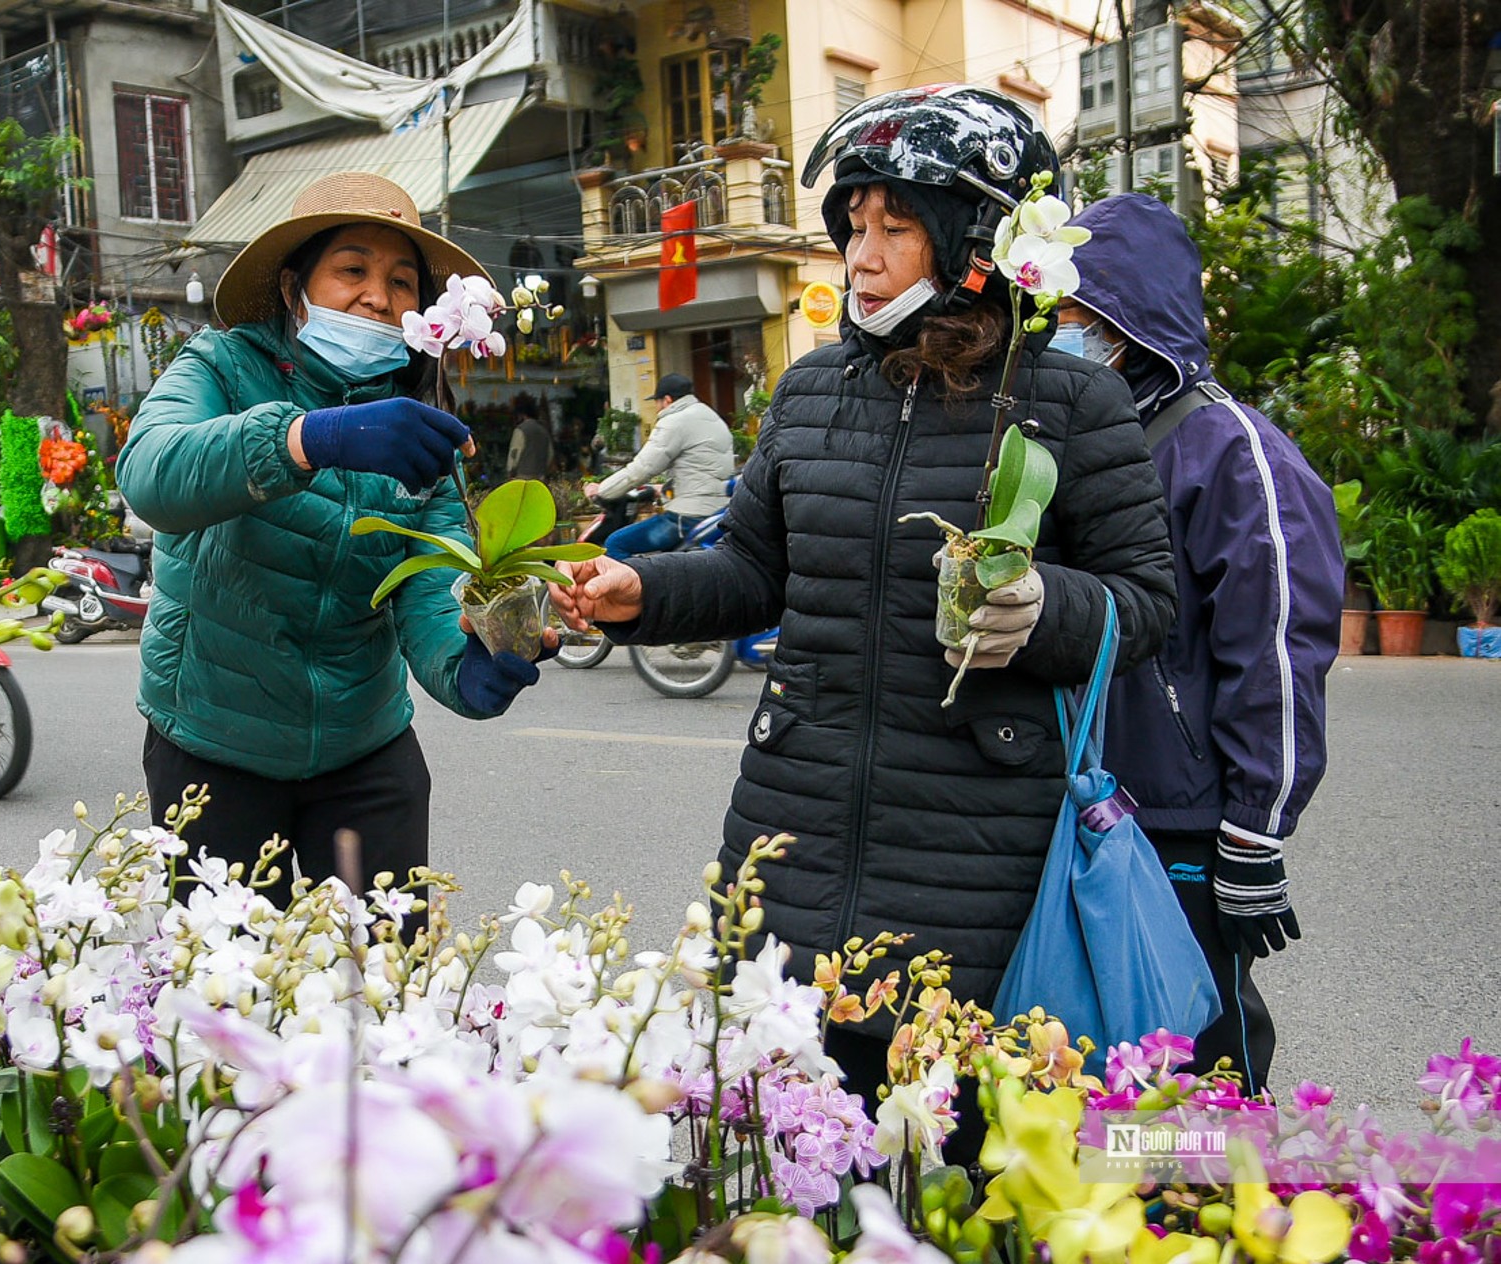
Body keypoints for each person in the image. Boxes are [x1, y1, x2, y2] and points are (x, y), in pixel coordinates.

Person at [552, 85, 1177, 1104]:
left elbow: (1146, 602)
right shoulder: (809, 393)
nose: (862, 255)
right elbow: (752, 571)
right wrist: (641, 592)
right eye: (853, 225)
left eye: (896, 228)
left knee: (950, 1147)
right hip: (791, 823)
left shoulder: (1069, 399)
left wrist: (1039, 606)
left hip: (977, 848)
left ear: (974, 238)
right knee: (786, 1132)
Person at [115, 171, 549, 902]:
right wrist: (309, 437)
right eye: (352, 269)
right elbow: (150, 474)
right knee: (231, 993)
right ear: (294, 286)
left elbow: (427, 581)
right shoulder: (221, 367)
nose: (377, 297)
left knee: (382, 980)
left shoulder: (415, 423)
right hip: (215, 741)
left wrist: (470, 661)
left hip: (363, 746)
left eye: (401, 281)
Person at [1062, 193, 1344, 1092]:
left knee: (1196, 1062)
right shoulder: (1089, 439)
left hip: (1182, 817)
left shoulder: (1230, 452)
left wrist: (1255, 835)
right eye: (1059, 317)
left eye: (1082, 318)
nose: (1065, 336)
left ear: (1133, 322)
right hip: (1082, 800)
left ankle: (1212, 1222)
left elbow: (1278, 655)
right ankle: (1115, 1220)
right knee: (1087, 1053)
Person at [582, 372, 734, 559]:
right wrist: (662, 489)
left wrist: (602, 490)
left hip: (687, 516)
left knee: (616, 543)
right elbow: (700, 467)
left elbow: (642, 469)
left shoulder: (675, 421)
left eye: (657, 402)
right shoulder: (711, 417)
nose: (656, 407)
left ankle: (633, 588)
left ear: (667, 400)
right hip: (717, 511)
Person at [505, 393, 552, 480]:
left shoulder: (520, 430)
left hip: (522, 476)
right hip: (540, 476)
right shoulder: (544, 430)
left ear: (520, 413)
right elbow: (550, 454)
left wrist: (510, 471)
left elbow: (514, 453)